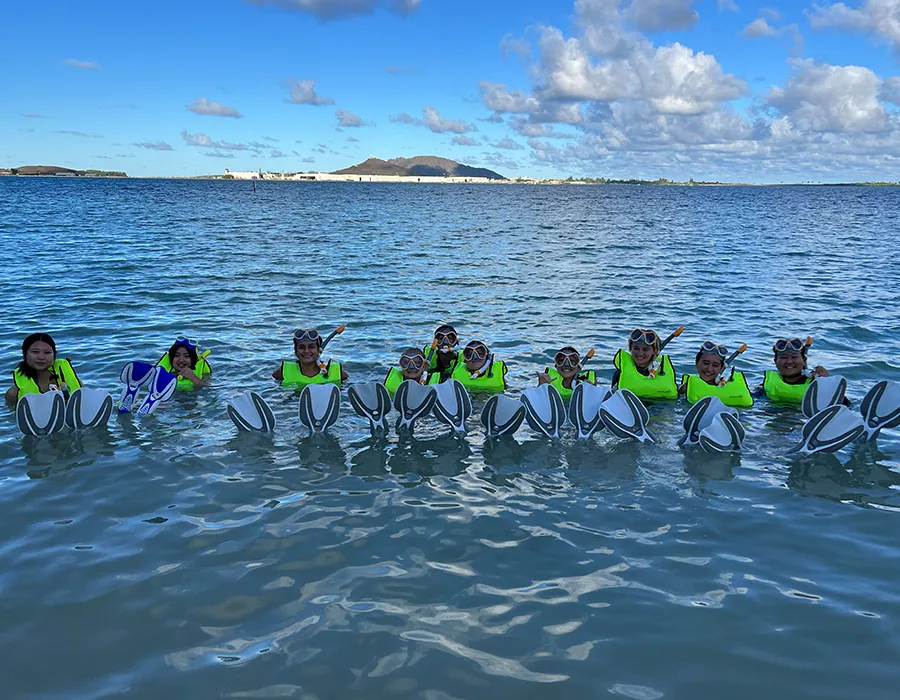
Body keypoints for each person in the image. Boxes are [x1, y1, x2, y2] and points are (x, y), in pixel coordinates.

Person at [6, 332, 82, 403]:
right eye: (35, 352)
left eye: (47, 352)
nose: (41, 357)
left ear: (54, 354)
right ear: (24, 353)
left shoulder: (73, 379)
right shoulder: (14, 393)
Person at [755, 337, 832, 405]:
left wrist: (828, 385)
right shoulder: (766, 386)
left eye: (794, 357)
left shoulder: (816, 384)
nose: (789, 361)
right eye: (783, 357)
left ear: (804, 360)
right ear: (775, 361)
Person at [679, 341, 752, 408]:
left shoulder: (730, 386)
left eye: (715, 365)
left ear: (721, 368)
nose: (709, 369)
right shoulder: (686, 388)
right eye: (706, 363)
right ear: (697, 363)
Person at [611, 328, 678, 400]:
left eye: (645, 349)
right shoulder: (621, 372)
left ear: (654, 351)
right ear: (631, 348)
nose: (640, 353)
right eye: (636, 348)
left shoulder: (662, 370)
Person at [273, 328, 349, 388]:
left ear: (319, 350)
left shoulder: (336, 371)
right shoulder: (284, 371)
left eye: (311, 347)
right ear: (295, 351)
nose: (306, 351)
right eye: (301, 347)